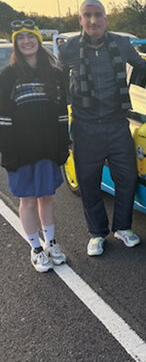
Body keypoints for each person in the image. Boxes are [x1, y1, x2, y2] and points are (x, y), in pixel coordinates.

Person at [59, 0, 146, 256]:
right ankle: (97, 234)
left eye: (98, 15)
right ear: (80, 20)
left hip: (116, 124)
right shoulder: (69, 49)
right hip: (85, 126)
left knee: (127, 179)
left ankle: (123, 228)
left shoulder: (121, 44)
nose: (93, 20)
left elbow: (141, 65)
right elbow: (58, 83)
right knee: (89, 183)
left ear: (106, 18)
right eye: (87, 15)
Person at [0, 19, 70, 272]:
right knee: (28, 200)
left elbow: (62, 114)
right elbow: (3, 118)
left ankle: (51, 243)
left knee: (47, 197)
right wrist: (7, 152)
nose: (26, 41)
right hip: (21, 150)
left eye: (31, 37)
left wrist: (64, 145)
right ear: (16, 44)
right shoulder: (8, 76)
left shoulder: (54, 74)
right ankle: (36, 248)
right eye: (21, 38)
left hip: (47, 148)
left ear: (39, 41)